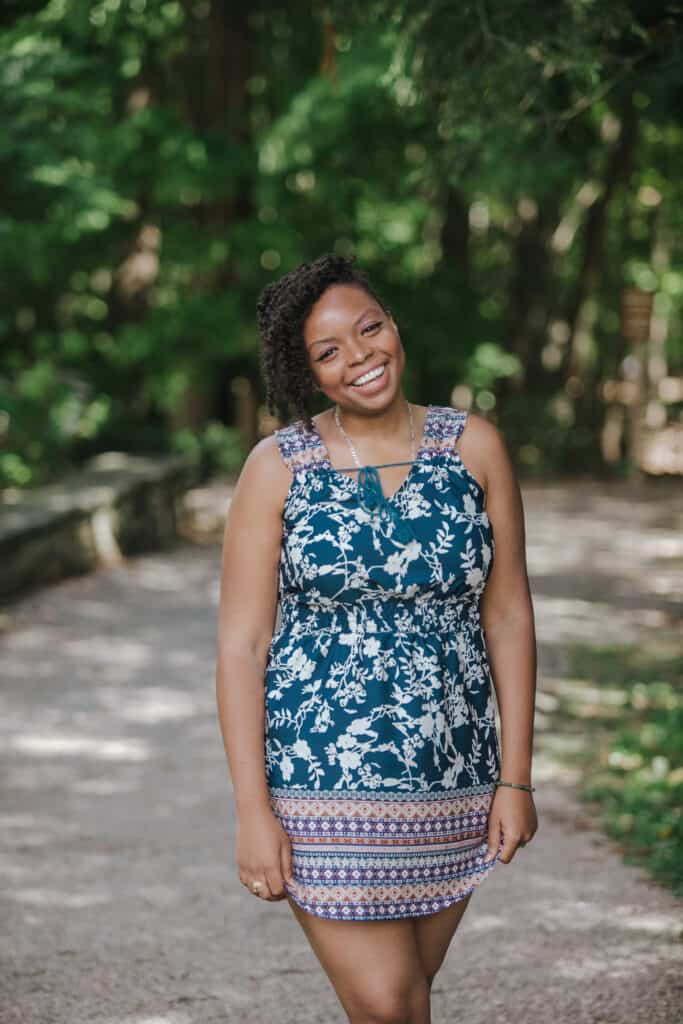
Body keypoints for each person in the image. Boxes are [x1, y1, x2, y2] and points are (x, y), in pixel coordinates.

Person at [215, 253, 538, 1023]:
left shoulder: (473, 447)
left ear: (394, 325)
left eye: (369, 329)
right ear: (306, 372)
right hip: (319, 784)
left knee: (402, 1003)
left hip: (451, 779)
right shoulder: (277, 467)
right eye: (329, 351)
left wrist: (516, 779)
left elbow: (508, 616)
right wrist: (253, 812)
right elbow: (242, 645)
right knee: (391, 1004)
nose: (359, 357)